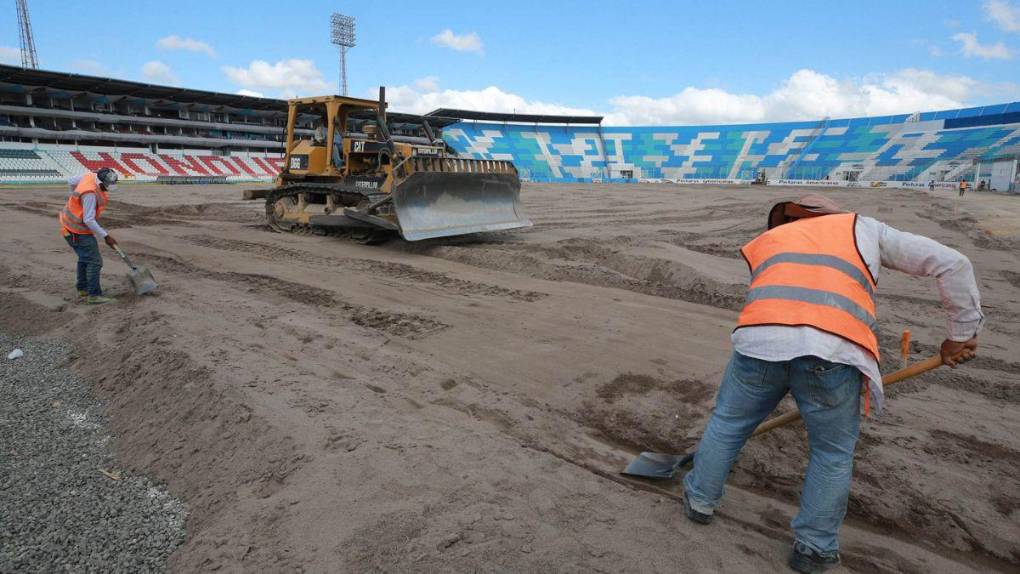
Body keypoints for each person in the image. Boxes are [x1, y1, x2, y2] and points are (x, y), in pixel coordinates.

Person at [681, 194, 982, 573]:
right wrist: (960, 334)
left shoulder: (770, 240)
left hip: (759, 344)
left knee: (727, 424)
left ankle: (700, 500)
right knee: (831, 453)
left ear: (787, 219)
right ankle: (813, 547)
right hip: (832, 351)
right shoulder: (864, 228)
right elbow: (954, 263)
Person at [58, 168, 120, 304]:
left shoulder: (90, 175)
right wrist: (106, 236)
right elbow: (89, 220)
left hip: (68, 225)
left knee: (84, 258)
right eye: (107, 186)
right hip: (77, 230)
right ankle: (94, 295)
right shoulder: (90, 194)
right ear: (101, 181)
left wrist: (73, 197)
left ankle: (83, 288)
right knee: (94, 261)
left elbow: (70, 181)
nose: (108, 188)